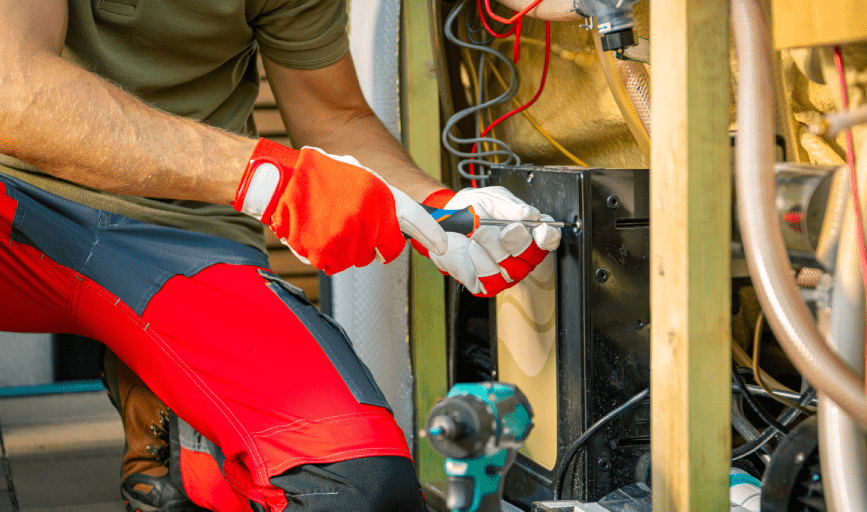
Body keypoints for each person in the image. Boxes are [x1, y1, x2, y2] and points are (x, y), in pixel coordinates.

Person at [0, 0, 562, 511]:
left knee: (358, 493)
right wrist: (270, 180)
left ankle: (186, 432)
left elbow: (334, 116)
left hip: (181, 232)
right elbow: (14, 91)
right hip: (14, 198)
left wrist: (437, 209)